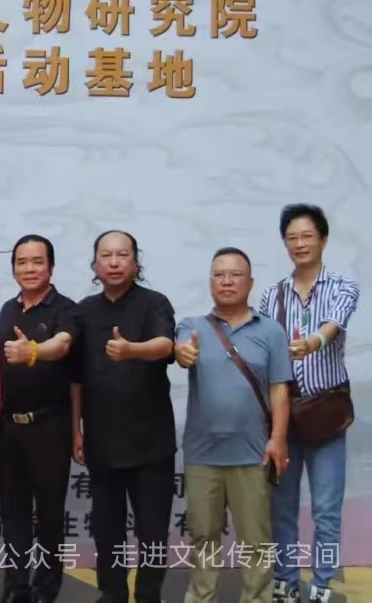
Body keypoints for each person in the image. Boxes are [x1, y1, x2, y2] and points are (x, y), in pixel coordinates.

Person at [174, 247, 292, 603]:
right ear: (210, 281)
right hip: (202, 455)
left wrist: (278, 439)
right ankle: (200, 597)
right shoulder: (191, 326)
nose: (227, 281)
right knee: (203, 539)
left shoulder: (271, 331)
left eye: (235, 274)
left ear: (250, 283)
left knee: (256, 542)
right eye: (219, 275)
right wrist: (183, 353)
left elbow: (280, 390)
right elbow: (181, 351)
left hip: (253, 454)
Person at [258, 204, 360, 603]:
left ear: (324, 240)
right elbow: (262, 350)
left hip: (325, 417)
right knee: (281, 509)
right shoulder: (272, 295)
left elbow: (334, 323)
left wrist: (314, 341)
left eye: (307, 236)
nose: (299, 244)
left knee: (327, 510)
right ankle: (285, 581)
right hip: (284, 416)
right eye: (292, 237)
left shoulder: (342, 285)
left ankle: (321, 585)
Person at [74, 230, 176, 603]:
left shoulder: (155, 303)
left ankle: (148, 596)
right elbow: (75, 379)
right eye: (106, 255)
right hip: (102, 441)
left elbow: (166, 345)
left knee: (153, 533)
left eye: (122, 255)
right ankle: (113, 593)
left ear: (136, 262)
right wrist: (76, 431)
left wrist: (132, 349)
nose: (114, 262)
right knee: (107, 531)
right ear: (95, 264)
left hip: (152, 443)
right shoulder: (83, 311)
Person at [0, 235, 78, 603]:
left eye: (37, 262)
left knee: (49, 514)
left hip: (49, 426)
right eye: (22, 262)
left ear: (51, 267)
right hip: (10, 427)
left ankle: (45, 589)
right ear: (14, 268)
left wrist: (31, 351)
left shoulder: (66, 309)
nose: (29, 269)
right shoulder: (7, 310)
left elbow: (61, 345)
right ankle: (16, 587)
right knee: (12, 513)